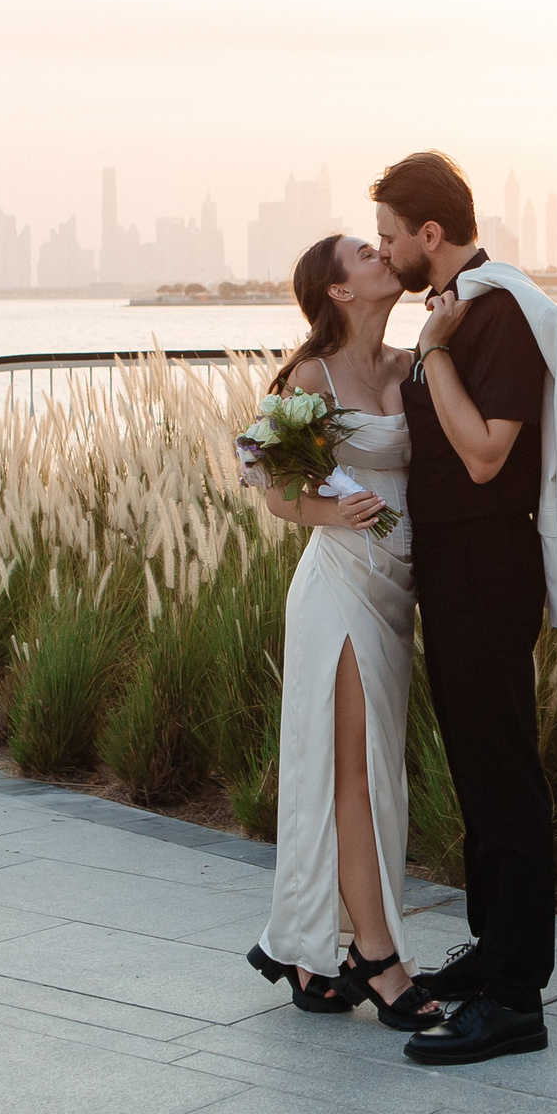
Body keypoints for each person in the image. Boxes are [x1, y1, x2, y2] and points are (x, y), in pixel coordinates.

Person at [371, 150, 557, 1067]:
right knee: (477, 773)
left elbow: (488, 454)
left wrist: (436, 356)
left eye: (389, 237)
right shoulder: (458, 310)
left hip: (489, 560)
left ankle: (518, 998)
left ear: (430, 235)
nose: (386, 251)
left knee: (504, 777)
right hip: (451, 564)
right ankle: (494, 957)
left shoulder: (498, 316)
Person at [243, 234, 443, 1033]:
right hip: (339, 590)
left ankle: (308, 954)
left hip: (398, 591)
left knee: (374, 773)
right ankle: (375, 955)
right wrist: (332, 510)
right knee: (354, 773)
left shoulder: (405, 366)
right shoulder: (310, 377)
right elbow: (273, 485)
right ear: (337, 291)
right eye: (366, 253)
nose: (382, 254)